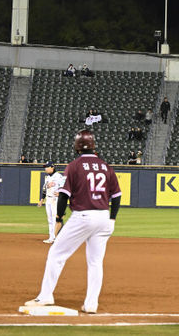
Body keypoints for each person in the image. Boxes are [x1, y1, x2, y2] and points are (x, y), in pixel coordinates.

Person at [25, 130, 121, 314]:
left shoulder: (74, 166)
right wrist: (112, 218)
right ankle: (91, 304)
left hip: (83, 216)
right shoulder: (105, 166)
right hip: (103, 217)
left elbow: (63, 196)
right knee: (95, 262)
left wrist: (59, 217)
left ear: (77, 146)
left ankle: (46, 296)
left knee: (56, 254)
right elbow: (116, 196)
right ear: (94, 145)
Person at [38, 162, 67, 244]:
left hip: (56, 199)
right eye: (45, 167)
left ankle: (55, 237)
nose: (45, 169)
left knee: (55, 219)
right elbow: (44, 189)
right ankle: (51, 237)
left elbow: (66, 186)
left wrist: (60, 193)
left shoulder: (59, 176)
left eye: (47, 167)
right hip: (48, 199)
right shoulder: (47, 177)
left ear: (52, 167)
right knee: (50, 219)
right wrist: (42, 199)